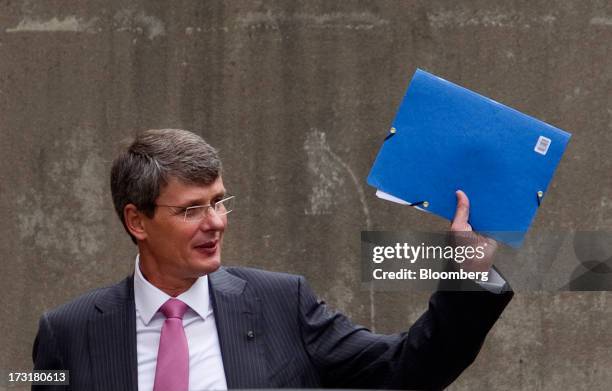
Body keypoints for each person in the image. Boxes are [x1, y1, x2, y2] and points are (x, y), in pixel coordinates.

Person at [32, 128, 513, 390]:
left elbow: (403, 371)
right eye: (191, 210)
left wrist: (464, 279)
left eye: (219, 201)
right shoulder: (68, 332)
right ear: (137, 221)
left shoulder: (281, 302)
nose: (216, 222)